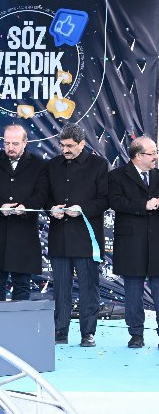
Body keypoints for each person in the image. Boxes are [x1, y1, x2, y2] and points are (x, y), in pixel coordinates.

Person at [46, 123, 108, 347]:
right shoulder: (52, 165)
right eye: (62, 145)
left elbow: (105, 199)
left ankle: (87, 333)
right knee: (60, 289)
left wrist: (82, 210)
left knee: (88, 288)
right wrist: (51, 208)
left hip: (86, 239)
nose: (65, 150)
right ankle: (60, 330)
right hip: (59, 237)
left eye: (70, 146)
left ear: (82, 144)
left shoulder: (99, 165)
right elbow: (44, 196)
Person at [0, 124, 47, 302]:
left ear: (25, 143)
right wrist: (0, 206)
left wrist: (25, 206)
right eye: (7, 143)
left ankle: (20, 321)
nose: (10, 147)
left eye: (15, 143)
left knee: (22, 284)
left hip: (24, 234)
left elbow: (41, 194)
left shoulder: (39, 164)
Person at [108, 136, 159, 349]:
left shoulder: (158, 175)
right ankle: (136, 333)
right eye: (152, 153)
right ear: (138, 156)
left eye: (156, 152)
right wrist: (143, 205)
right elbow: (115, 202)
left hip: (156, 241)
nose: (156, 157)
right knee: (133, 290)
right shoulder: (117, 176)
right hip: (131, 241)